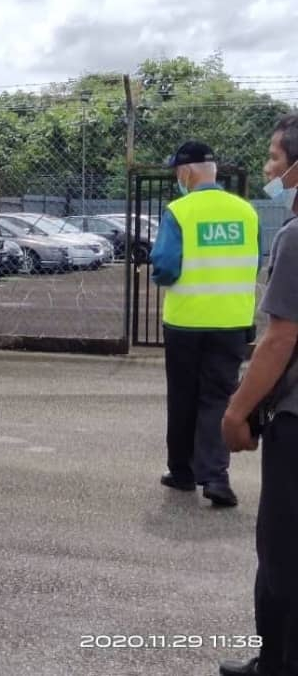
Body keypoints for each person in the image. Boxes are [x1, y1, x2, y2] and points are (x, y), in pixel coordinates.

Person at [218, 115, 298, 676]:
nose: (270, 169)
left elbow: (281, 336)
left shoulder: (295, 236)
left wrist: (237, 411)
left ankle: (279, 662)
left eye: (274, 158)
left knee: (283, 548)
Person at [150, 140, 261, 508]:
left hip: (186, 322)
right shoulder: (246, 212)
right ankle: (216, 477)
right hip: (232, 322)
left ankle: (181, 472)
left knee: (183, 397)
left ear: (186, 172)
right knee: (217, 397)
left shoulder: (180, 211)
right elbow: (255, 261)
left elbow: (165, 266)